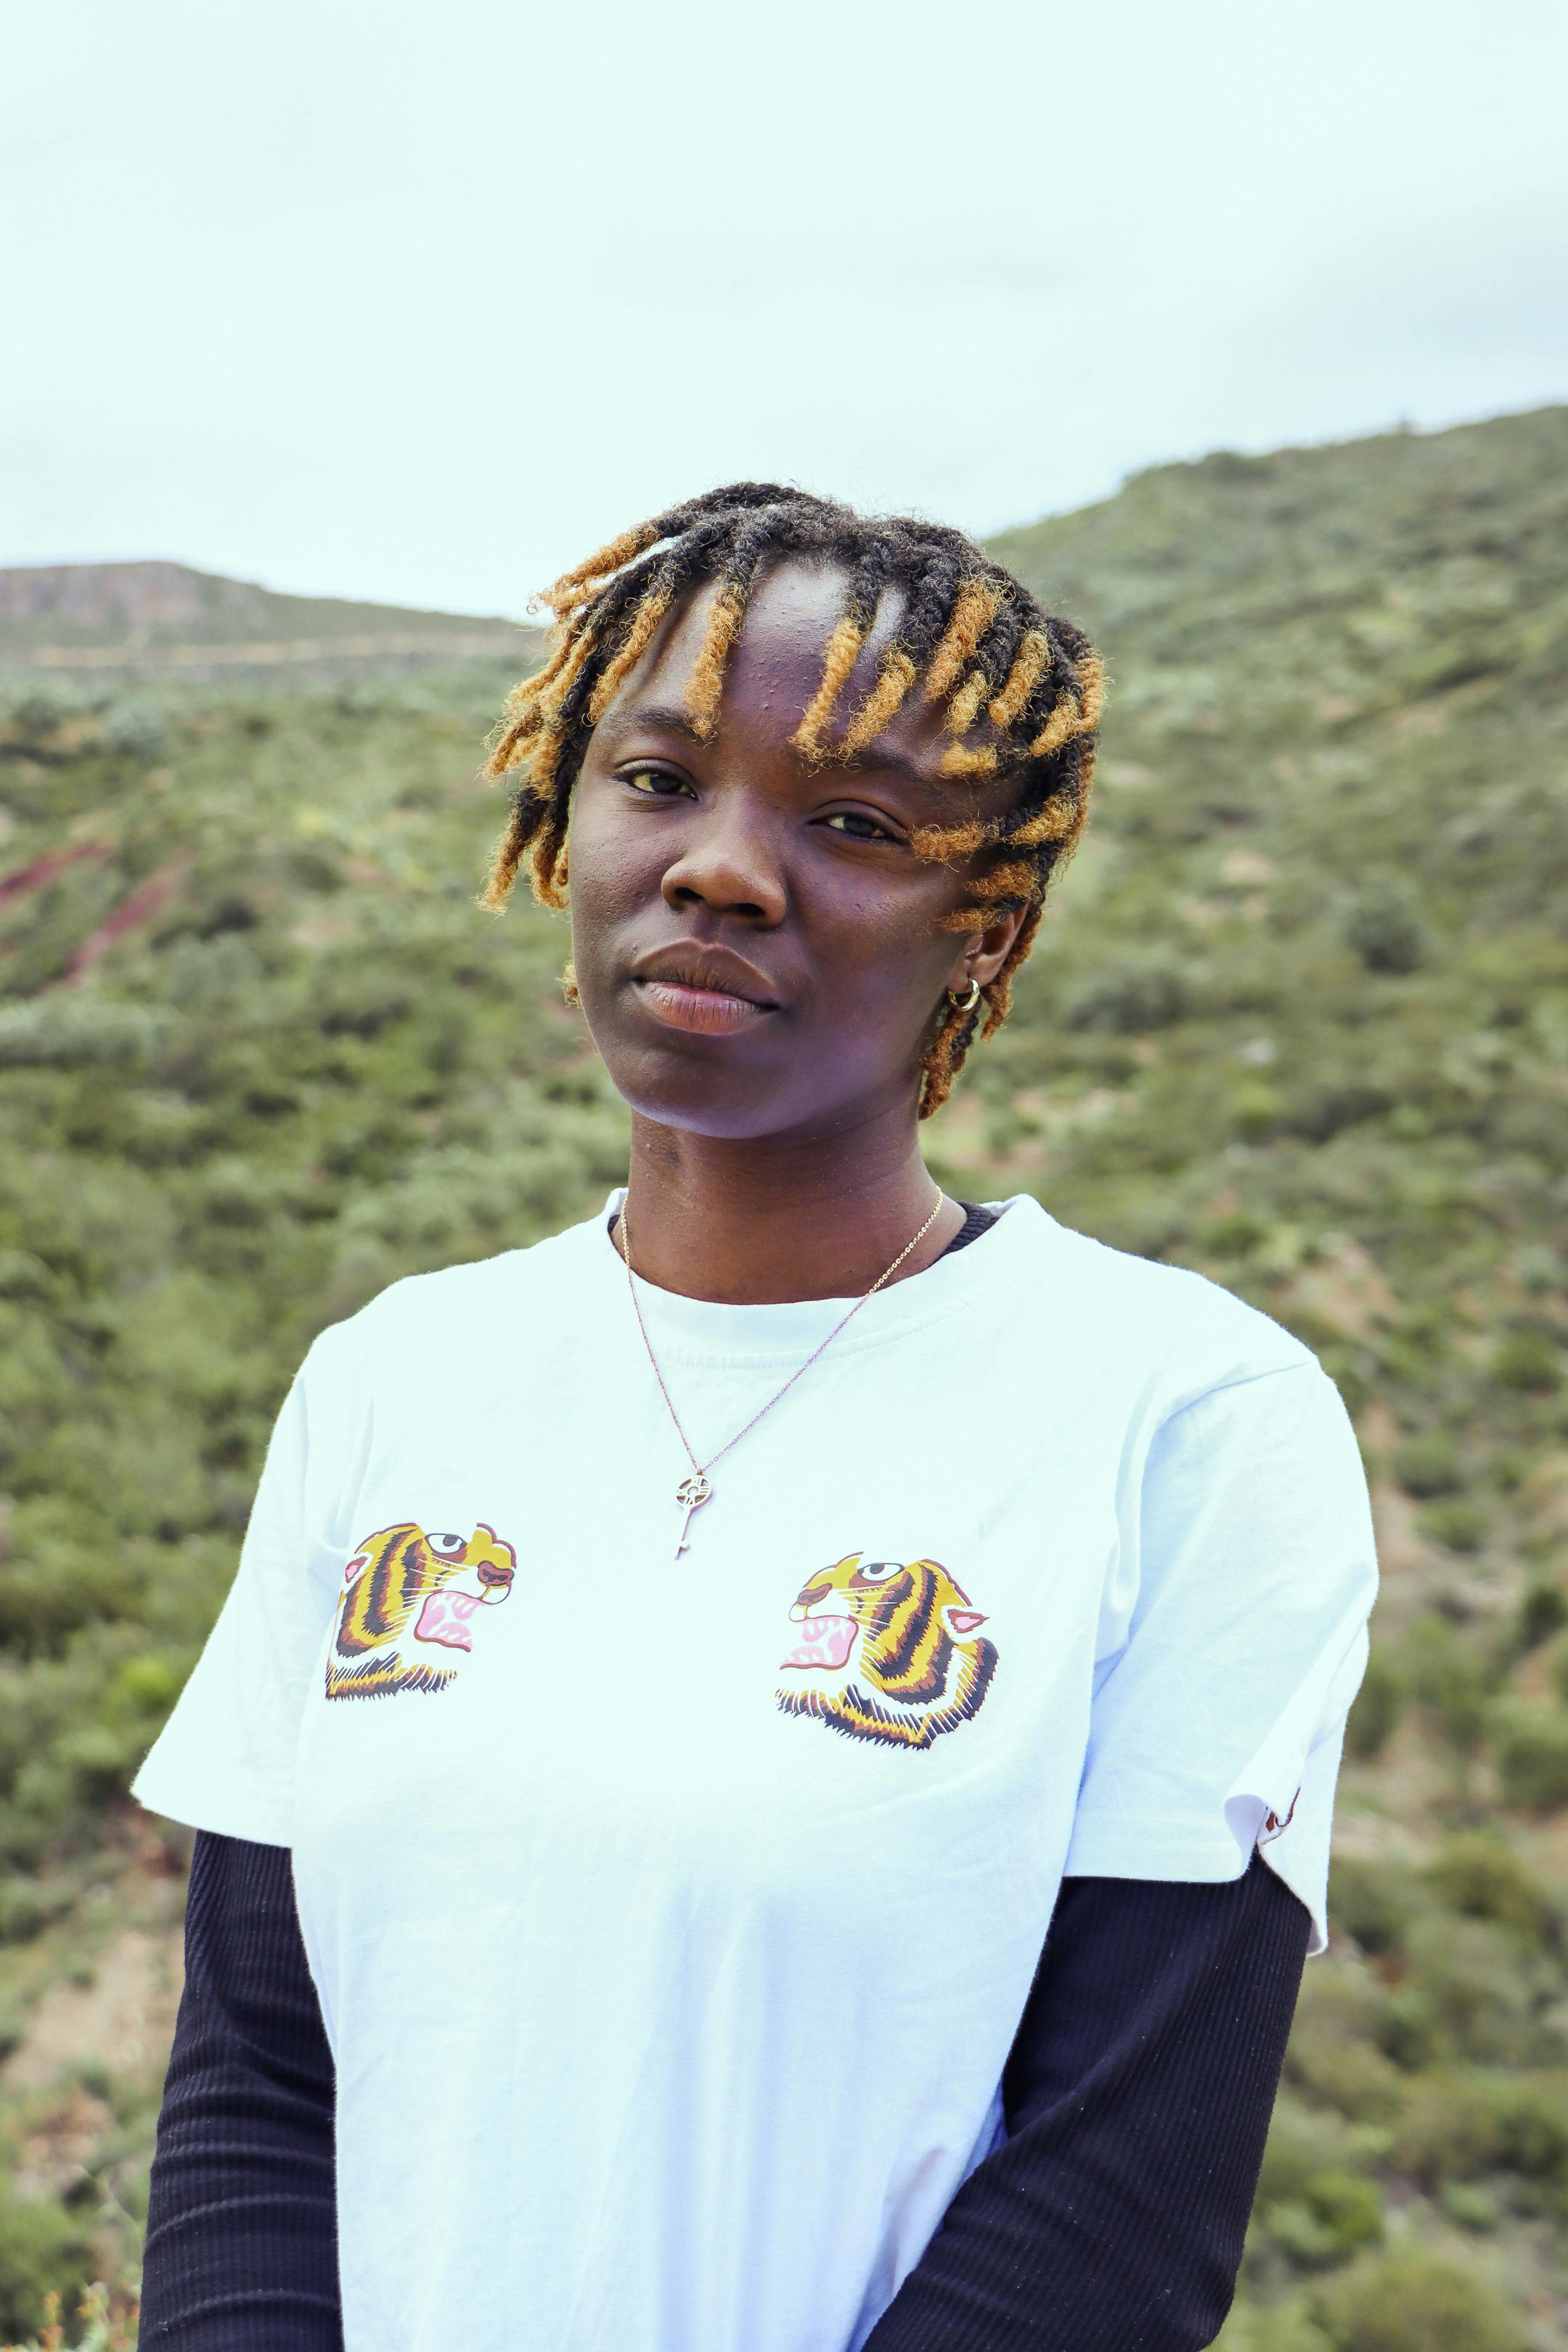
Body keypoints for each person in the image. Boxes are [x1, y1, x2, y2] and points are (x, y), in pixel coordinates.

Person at [131, 484, 1378, 2352]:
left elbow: (1117, 2207)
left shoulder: (1187, 1421)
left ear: (986, 922)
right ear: (566, 829)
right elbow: (256, 2095)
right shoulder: (392, 1379)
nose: (721, 866)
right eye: (654, 780)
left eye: (858, 823)